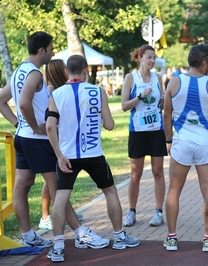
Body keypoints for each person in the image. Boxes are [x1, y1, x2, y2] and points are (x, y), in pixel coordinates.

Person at [46, 55, 140, 262]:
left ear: (66, 72)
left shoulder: (56, 94)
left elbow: (50, 126)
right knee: (110, 192)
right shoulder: (98, 91)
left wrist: (59, 155)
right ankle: (119, 236)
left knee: (61, 198)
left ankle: (59, 246)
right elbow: (110, 125)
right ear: (86, 70)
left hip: (68, 154)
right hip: (93, 153)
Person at [0, 31, 82, 248]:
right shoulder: (34, 73)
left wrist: (19, 124)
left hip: (23, 138)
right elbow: (25, 103)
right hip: (36, 141)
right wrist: (34, 125)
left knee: (22, 185)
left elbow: (1, 100)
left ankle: (28, 237)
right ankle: (82, 233)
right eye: (52, 48)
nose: (53, 52)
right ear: (42, 50)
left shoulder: (19, 70)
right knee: (58, 189)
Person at [163, 44, 208, 252]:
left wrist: (169, 139)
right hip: (204, 142)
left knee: (174, 190)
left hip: (181, 141)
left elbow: (166, 115)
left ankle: (171, 238)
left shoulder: (174, 82)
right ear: (204, 62)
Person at [121, 45, 166, 227]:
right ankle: (131, 211)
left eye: (154, 58)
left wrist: (163, 102)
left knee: (158, 172)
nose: (152, 61)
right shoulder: (131, 78)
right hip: (138, 131)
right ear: (140, 57)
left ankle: (158, 211)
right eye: (149, 57)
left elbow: (161, 103)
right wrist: (139, 96)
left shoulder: (158, 78)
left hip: (156, 130)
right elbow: (124, 106)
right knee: (136, 174)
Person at [38, 59, 83, 231]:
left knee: (54, 178)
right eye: (64, 68)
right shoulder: (51, 90)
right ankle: (45, 216)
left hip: (61, 136)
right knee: (51, 179)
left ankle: (62, 211)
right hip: (54, 137)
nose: (67, 70)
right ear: (59, 71)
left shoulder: (60, 89)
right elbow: (49, 117)